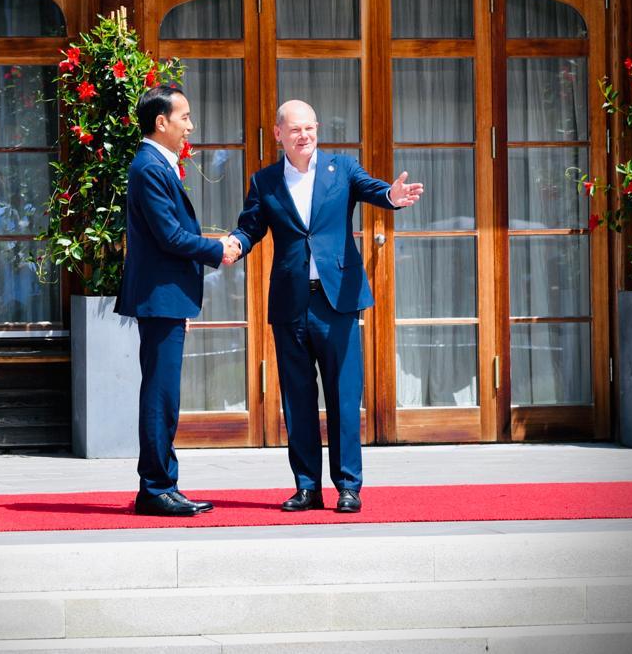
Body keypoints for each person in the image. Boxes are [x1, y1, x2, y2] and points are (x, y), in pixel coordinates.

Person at [228, 100, 423, 513]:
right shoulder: (264, 182)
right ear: (278, 134)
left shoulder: (342, 168)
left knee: (343, 396)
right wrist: (234, 245)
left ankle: (349, 486)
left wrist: (393, 194)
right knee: (298, 400)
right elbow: (251, 228)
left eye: (310, 128)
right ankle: (306, 487)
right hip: (291, 304)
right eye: (295, 129)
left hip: (337, 302)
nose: (304, 135)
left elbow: (375, 190)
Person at [115, 86, 240, 517]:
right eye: (184, 116)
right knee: (160, 396)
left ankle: (163, 484)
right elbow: (168, 235)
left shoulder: (159, 164)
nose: (191, 124)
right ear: (161, 122)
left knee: (164, 395)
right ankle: (155, 488)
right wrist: (217, 249)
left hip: (168, 299)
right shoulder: (148, 167)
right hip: (160, 298)